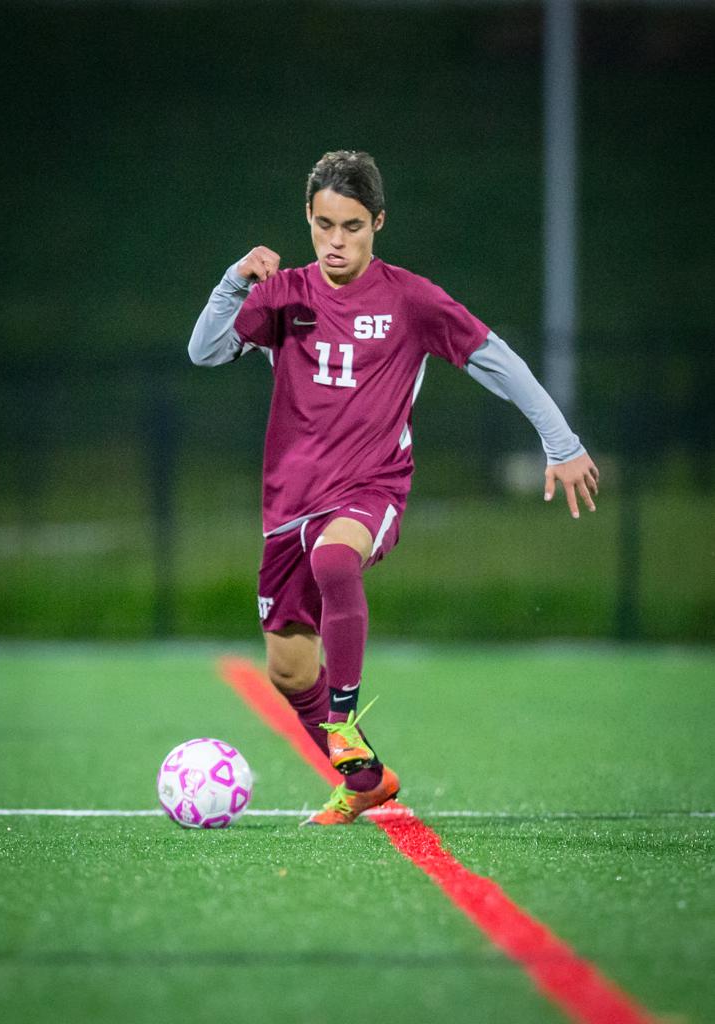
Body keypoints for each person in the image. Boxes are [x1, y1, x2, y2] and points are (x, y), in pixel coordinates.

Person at [188, 150, 599, 826]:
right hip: (287, 504)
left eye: (352, 225)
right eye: (324, 225)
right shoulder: (284, 294)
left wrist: (561, 442)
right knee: (290, 671)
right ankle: (365, 777)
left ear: (378, 221)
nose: (336, 241)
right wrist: (232, 283)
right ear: (309, 220)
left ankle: (344, 724)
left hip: (369, 488)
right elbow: (204, 351)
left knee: (335, 559)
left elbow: (496, 359)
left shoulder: (410, 299)